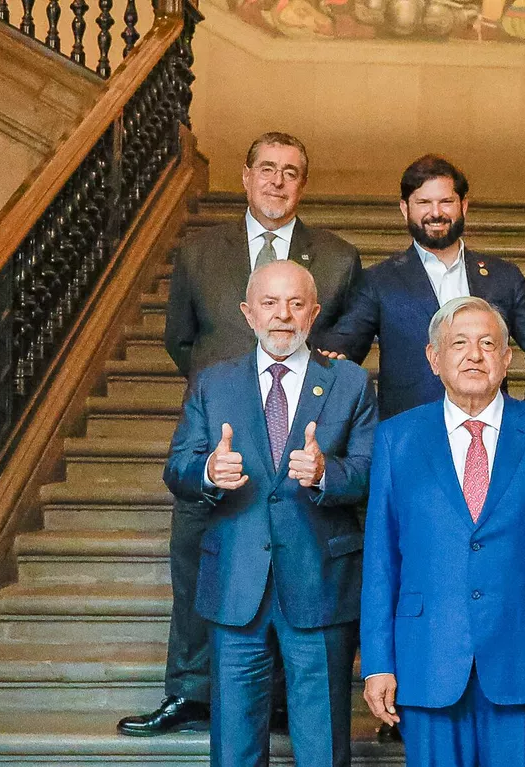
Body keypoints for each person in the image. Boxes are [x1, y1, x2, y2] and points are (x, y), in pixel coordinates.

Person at [126, 131, 363, 738]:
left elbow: (345, 351)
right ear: (245, 175)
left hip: (298, 440)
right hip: (223, 438)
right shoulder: (202, 252)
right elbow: (180, 338)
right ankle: (188, 692)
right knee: (198, 565)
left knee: (292, 566)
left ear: (303, 184)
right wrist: (227, 393)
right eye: (266, 168)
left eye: (291, 171)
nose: (277, 181)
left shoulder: (336, 258)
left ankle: (279, 701)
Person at [359, 296, 525, 767]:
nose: (475, 355)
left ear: (507, 358)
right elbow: (381, 561)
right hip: (427, 658)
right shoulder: (397, 438)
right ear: (433, 358)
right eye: (460, 344)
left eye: (489, 343)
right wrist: (378, 663)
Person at [161, 261, 377, 766]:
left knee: (322, 745)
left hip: (320, 583)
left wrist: (327, 473)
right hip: (236, 582)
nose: (283, 316)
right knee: (234, 745)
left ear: (315, 313)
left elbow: (373, 472)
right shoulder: (214, 383)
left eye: (296, 304)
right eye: (270, 303)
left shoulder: (349, 382)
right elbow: (178, 467)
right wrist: (210, 472)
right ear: (248, 313)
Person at [313, 155, 525, 418]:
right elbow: (342, 352)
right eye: (424, 203)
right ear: (405, 208)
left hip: (493, 433)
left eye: (446, 202)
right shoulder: (379, 281)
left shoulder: (503, 276)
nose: (436, 213)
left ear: (464, 205)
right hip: (412, 438)